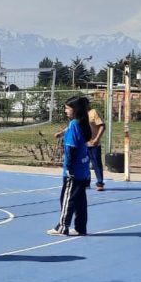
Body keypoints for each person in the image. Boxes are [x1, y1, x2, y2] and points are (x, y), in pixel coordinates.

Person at [48, 96, 92, 236]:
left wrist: (69, 167)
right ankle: (80, 227)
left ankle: (63, 226)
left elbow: (71, 147)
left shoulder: (74, 124)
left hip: (74, 169)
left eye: (67, 108)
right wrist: (62, 133)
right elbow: (73, 132)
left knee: (67, 198)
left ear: (75, 110)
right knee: (80, 199)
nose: (65, 110)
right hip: (83, 169)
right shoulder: (82, 123)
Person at [54, 104, 106, 190]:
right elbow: (72, 127)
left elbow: (102, 126)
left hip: (93, 143)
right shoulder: (80, 116)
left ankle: (100, 183)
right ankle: (86, 182)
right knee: (84, 163)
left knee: (96, 163)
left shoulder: (93, 112)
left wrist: (97, 138)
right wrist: (62, 133)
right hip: (82, 144)